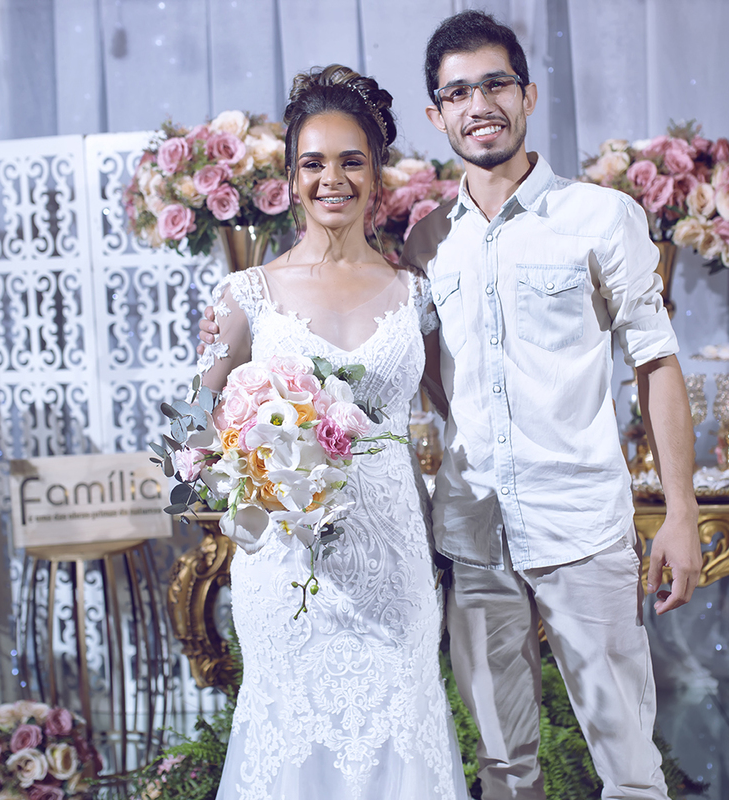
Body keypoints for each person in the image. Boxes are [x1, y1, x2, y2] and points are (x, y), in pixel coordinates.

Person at [401, 11, 703, 800]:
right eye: (458, 93)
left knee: (630, 771)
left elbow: (657, 362)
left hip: (582, 529)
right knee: (503, 768)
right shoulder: (426, 244)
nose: (479, 105)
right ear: (437, 115)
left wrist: (681, 513)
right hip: (474, 534)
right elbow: (432, 373)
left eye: (495, 84)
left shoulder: (600, 216)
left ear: (528, 95)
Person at [195, 65, 469, 800]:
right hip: (287, 566)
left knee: (400, 735)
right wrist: (240, 461)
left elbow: (458, 410)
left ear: (376, 173)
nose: (332, 179)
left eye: (352, 161)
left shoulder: (416, 293)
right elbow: (196, 423)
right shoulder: (247, 294)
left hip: (394, 562)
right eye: (313, 163)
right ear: (291, 177)